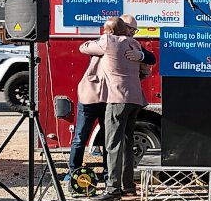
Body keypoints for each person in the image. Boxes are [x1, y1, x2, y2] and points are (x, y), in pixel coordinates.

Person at [65, 16, 155, 182]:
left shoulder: (130, 44)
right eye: (131, 29)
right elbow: (83, 47)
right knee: (82, 137)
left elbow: (149, 59)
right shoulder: (109, 40)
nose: (133, 33)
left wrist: (138, 59)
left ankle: (109, 178)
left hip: (111, 97)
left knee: (110, 140)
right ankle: (74, 174)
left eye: (134, 30)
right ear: (121, 27)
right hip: (92, 95)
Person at [82, 17, 146, 201]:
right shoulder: (134, 43)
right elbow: (146, 68)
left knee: (112, 144)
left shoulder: (107, 42)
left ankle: (113, 189)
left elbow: (84, 48)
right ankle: (128, 186)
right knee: (127, 143)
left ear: (109, 31)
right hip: (135, 98)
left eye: (105, 30)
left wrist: (100, 39)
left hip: (116, 99)